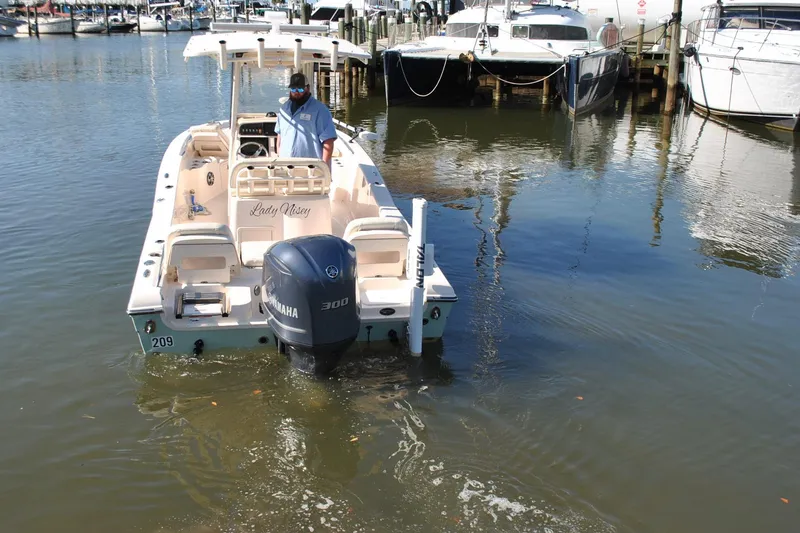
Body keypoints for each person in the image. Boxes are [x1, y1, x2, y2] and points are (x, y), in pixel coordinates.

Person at [275, 72, 337, 168]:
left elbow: (328, 141)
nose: (296, 92)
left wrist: (324, 167)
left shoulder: (320, 110)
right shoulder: (284, 109)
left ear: (307, 88)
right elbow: (280, 133)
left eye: (300, 88)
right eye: (293, 89)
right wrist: (279, 154)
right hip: (285, 166)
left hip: (311, 169)